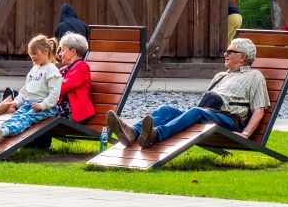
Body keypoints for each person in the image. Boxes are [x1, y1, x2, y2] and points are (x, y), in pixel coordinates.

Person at [106, 37, 269, 148]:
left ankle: (155, 136)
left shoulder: (254, 76)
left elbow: (259, 109)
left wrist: (246, 134)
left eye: (230, 51)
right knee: (166, 110)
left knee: (196, 112)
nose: (225, 54)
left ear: (242, 57)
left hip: (228, 120)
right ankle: (133, 133)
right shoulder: (221, 76)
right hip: (208, 113)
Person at [0, 34, 62, 144]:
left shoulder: (52, 70)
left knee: (25, 118)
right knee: (15, 117)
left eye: (35, 54)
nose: (33, 57)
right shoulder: (35, 69)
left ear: (46, 51)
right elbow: (25, 90)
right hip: (29, 104)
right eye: (31, 54)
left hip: (46, 108)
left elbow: (54, 95)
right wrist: (16, 102)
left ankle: (4, 132)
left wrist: (42, 105)